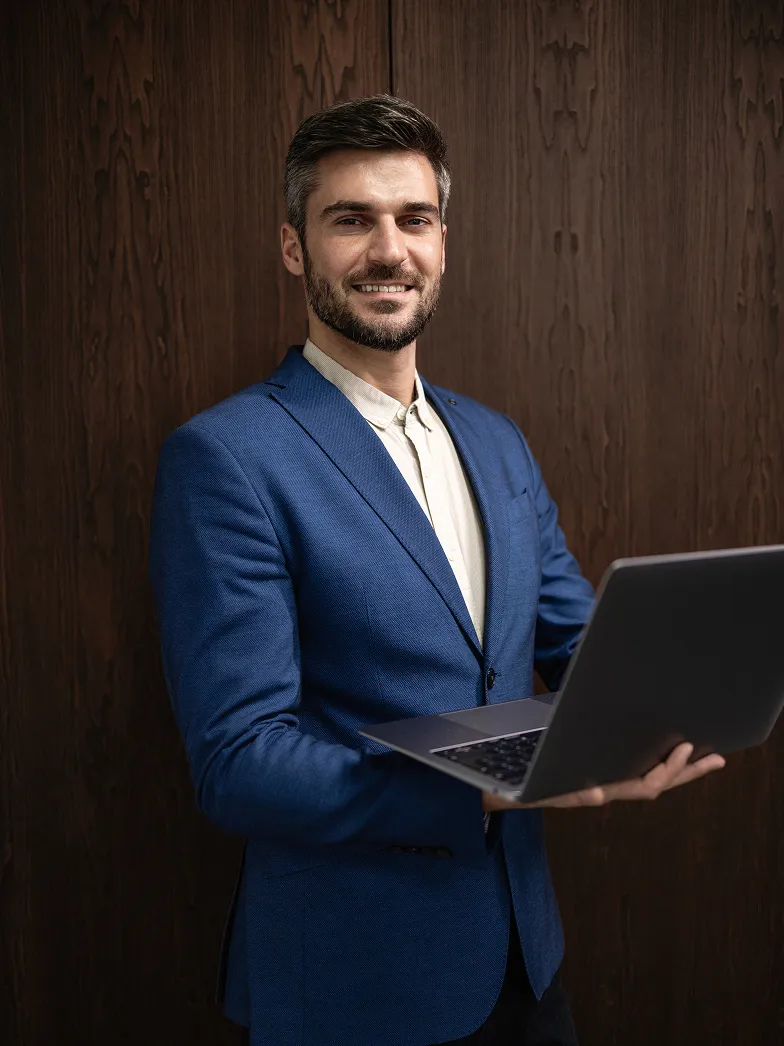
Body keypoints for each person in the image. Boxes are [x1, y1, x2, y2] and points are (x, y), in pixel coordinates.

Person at [149, 94, 724, 1046]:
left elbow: (582, 642)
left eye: (413, 219)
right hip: (354, 979)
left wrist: (677, 697)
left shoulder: (497, 443)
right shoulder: (226, 458)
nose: (389, 250)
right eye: (350, 220)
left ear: (444, 242)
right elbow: (239, 764)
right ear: (294, 247)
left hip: (525, 959)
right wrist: (484, 789)